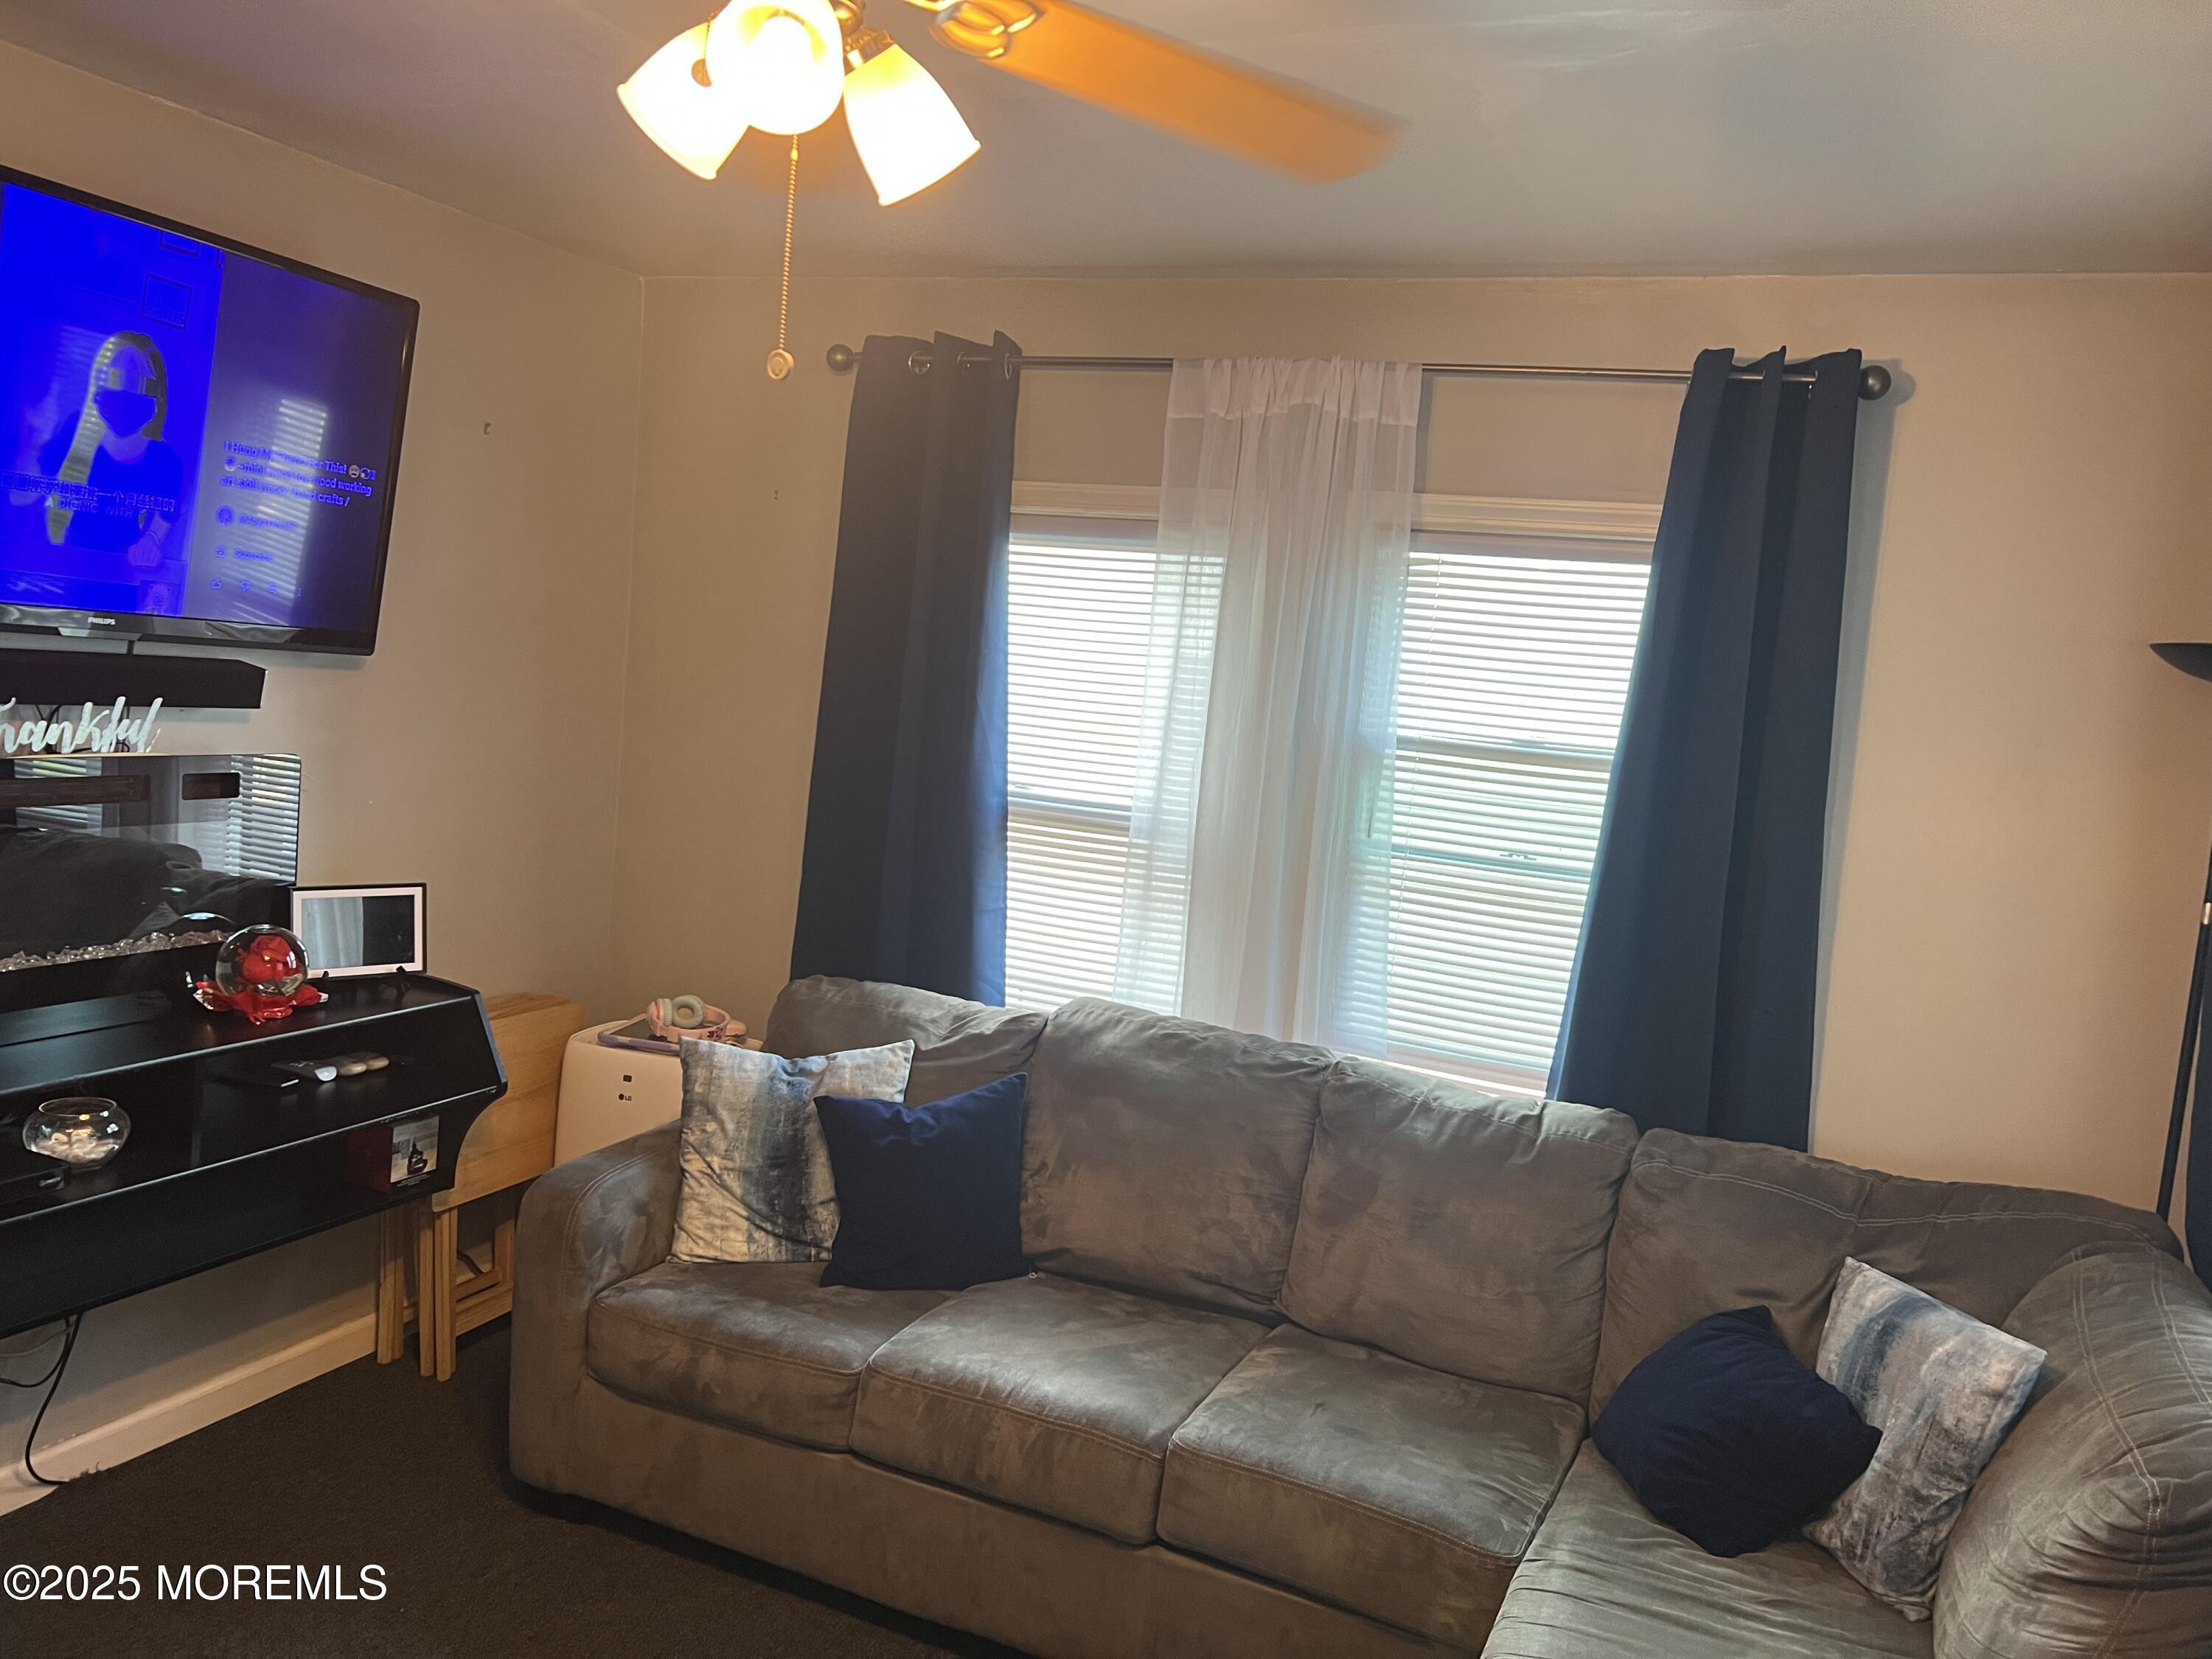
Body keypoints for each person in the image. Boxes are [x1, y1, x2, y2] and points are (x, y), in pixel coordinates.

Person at [7, 332, 184, 571]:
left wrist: (150, 541)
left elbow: (165, 517)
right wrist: (37, 436)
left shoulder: (168, 463)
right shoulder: (74, 430)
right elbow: (19, 496)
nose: (125, 392)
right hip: (65, 567)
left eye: (137, 383)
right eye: (116, 380)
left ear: (156, 395)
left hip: (122, 578)